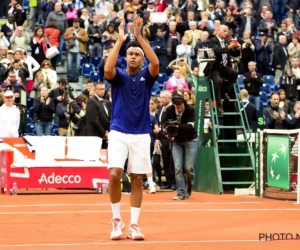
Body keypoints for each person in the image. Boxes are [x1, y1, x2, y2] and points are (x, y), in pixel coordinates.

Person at [104, 16, 159, 241]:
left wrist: (139, 38)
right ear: (125, 58)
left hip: (141, 133)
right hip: (118, 131)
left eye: (137, 54)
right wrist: (120, 41)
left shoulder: (147, 75)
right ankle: (116, 220)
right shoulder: (119, 76)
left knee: (137, 178)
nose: (133, 56)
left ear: (141, 59)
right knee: (115, 174)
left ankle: (134, 225)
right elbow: (108, 69)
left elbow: (156, 64)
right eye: (130, 54)